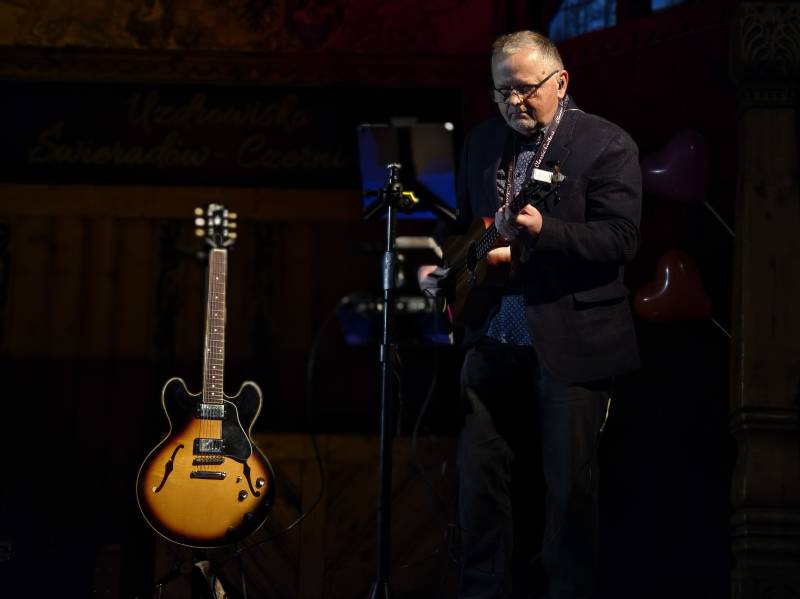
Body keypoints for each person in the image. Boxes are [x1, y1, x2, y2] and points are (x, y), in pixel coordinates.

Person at [420, 30, 641, 598]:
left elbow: (621, 239)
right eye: (502, 91)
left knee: (568, 494)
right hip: (492, 335)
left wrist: (548, 231)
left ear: (560, 82)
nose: (513, 101)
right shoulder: (481, 142)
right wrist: (443, 268)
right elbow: (463, 225)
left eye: (525, 89)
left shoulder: (605, 143)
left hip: (571, 339)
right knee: (480, 486)